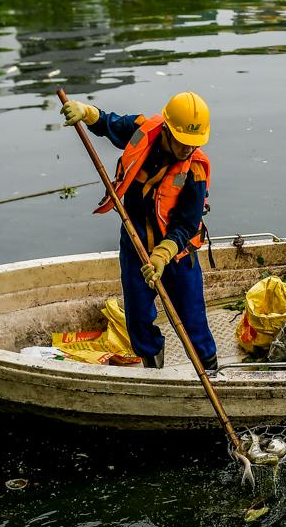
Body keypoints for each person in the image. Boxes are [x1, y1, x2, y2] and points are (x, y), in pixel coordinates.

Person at [61, 92, 218, 369]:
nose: (187, 149)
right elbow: (111, 125)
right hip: (136, 245)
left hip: (176, 254)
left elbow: (187, 224)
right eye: (182, 142)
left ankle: (209, 367)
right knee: (137, 314)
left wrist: (162, 255)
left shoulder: (194, 171)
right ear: (167, 130)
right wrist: (86, 112)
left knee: (191, 316)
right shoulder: (143, 131)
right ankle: (152, 365)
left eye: (193, 144)